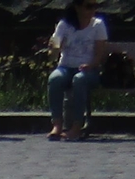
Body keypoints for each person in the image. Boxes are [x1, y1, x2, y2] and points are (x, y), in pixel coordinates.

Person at [46, 0, 106, 137]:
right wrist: (54, 48)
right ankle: (57, 125)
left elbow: (100, 54)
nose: (92, 10)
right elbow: (52, 54)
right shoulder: (63, 25)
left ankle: (77, 126)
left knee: (79, 80)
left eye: (95, 6)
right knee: (55, 79)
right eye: (89, 6)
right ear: (77, 7)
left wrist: (90, 65)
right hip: (66, 66)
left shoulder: (98, 25)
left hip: (89, 70)